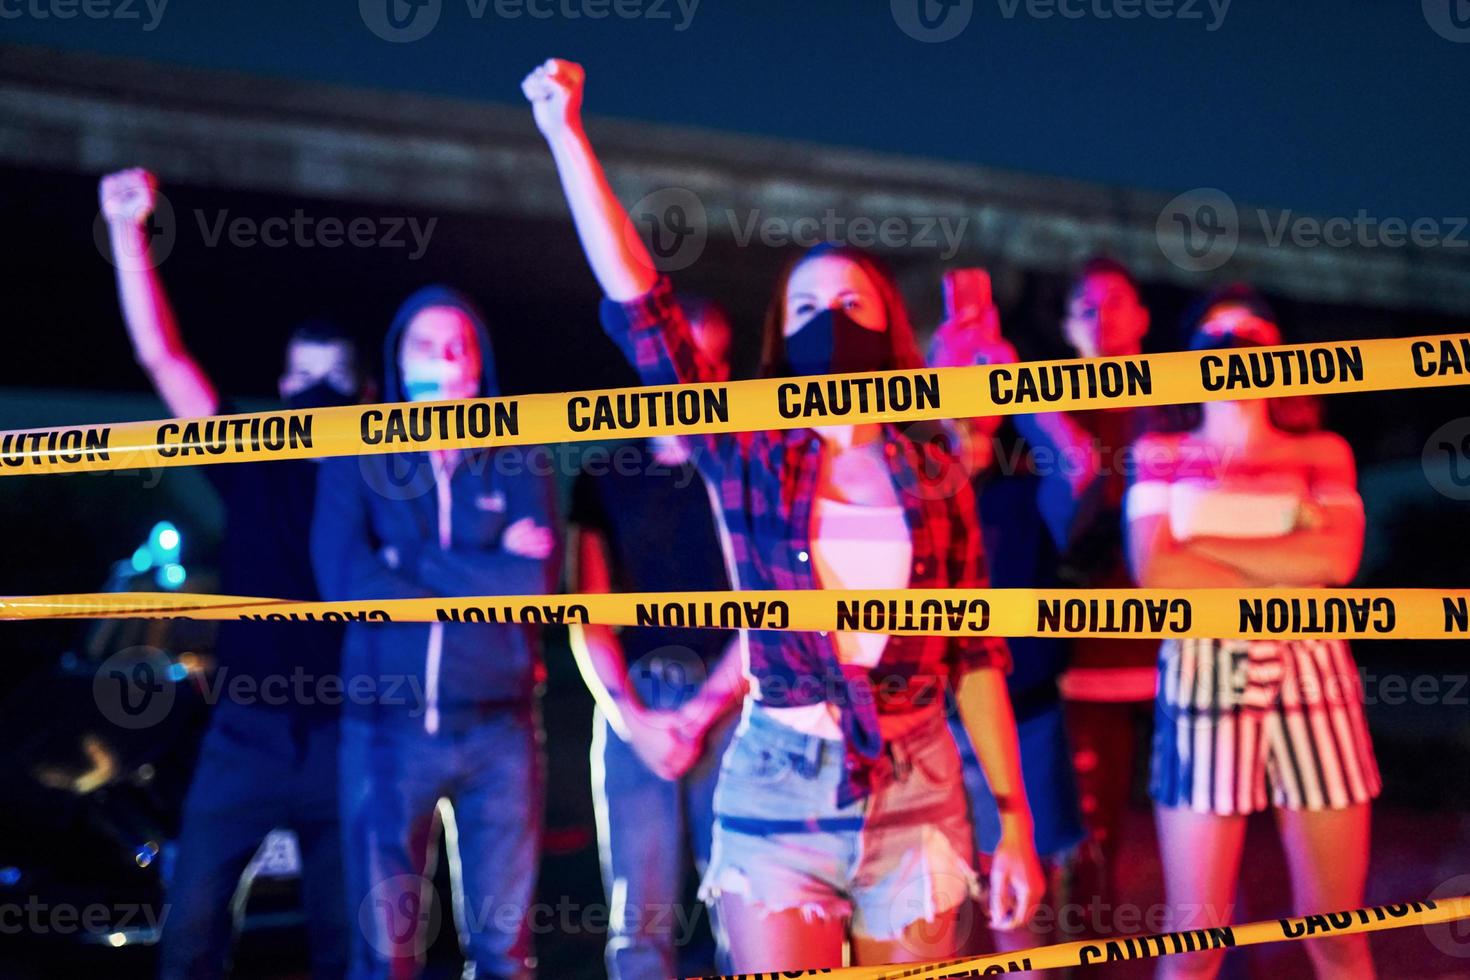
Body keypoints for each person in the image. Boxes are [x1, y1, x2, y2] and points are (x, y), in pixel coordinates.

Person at [523, 58, 1043, 971]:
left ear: (888, 329)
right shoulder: (748, 448)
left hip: (919, 782)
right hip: (776, 781)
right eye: (806, 305)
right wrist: (567, 137)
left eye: (850, 303)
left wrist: (1015, 818)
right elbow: (643, 311)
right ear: (780, 336)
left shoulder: (937, 473)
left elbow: (975, 654)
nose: (827, 318)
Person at [100, 167, 357, 980]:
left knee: (352, 947)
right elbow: (162, 357)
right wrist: (128, 234)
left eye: (336, 380)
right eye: (304, 378)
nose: (316, 393)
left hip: (348, 739)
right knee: (192, 934)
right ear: (281, 388)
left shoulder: (388, 478)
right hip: (243, 735)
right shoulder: (249, 457)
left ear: (367, 396)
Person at [1126, 285, 1379, 979]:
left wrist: (1200, 540)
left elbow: (1336, 561)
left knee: (1337, 930)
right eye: (1216, 335)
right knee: (1195, 941)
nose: (1234, 348)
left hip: (1314, 668)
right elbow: (1155, 571)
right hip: (1203, 670)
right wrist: (1285, 555)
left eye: (1253, 335)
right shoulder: (1160, 450)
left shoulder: (1321, 451)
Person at [310, 286, 560, 980]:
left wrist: (408, 559)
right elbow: (345, 584)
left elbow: (531, 587)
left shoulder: (520, 454)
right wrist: (486, 564)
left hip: (501, 732)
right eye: (427, 344)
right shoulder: (357, 450)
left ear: (479, 365)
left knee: (505, 953)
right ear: (399, 358)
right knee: (384, 956)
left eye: (459, 346)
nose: (445, 359)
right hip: (383, 731)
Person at [569, 296, 748, 980]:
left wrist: (704, 711)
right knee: (639, 919)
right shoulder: (603, 477)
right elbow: (591, 614)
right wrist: (633, 720)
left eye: (702, 364)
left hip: (734, 694)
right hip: (634, 699)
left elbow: (773, 607)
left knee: (748, 904)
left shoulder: (743, 475)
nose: (686, 381)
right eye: (673, 364)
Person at [927, 273, 1091, 961]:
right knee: (925, 910)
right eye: (954, 374)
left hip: (1023, 715)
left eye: (981, 377)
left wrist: (1015, 381)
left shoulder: (1025, 490)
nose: (971, 389)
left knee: (1020, 910)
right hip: (925, 722)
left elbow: (1081, 470)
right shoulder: (901, 481)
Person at [1050, 257, 1158, 910]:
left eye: (1116, 302)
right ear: (1067, 326)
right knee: (1090, 847)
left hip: (1178, 656)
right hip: (1086, 659)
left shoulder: (1177, 401)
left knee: (1214, 833)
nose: (1103, 317)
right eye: (1086, 306)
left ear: (1142, 316)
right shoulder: (1046, 406)